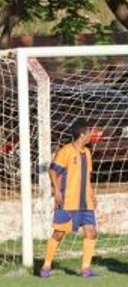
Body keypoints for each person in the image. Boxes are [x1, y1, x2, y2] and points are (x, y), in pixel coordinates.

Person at [39, 119, 99, 278]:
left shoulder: (87, 153)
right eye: (89, 133)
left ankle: (85, 269)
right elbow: (53, 171)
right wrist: (57, 190)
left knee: (91, 232)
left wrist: (92, 194)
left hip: (85, 201)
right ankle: (46, 265)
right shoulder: (65, 151)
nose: (91, 136)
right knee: (59, 233)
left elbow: (87, 177)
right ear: (82, 135)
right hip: (67, 200)